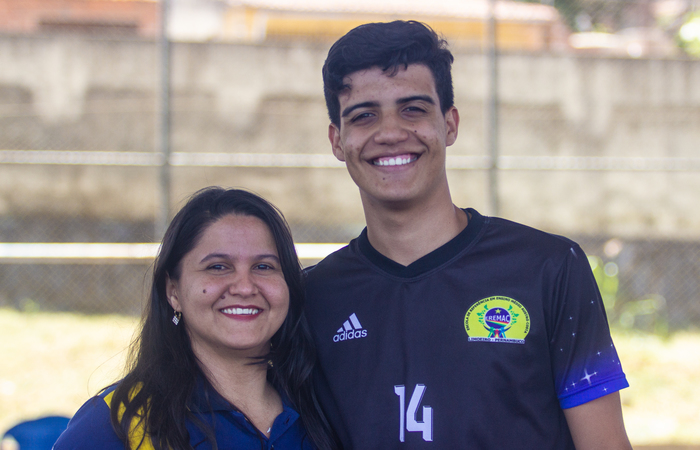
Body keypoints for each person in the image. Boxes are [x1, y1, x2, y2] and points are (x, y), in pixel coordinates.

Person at [303, 20, 632, 449]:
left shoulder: (548, 269)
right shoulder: (312, 297)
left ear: (450, 124)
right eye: (364, 116)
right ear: (336, 140)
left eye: (413, 109)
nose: (390, 132)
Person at [54, 187, 339, 450]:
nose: (244, 286)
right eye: (218, 267)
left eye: (264, 266)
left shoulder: (325, 408)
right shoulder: (119, 423)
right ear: (173, 291)